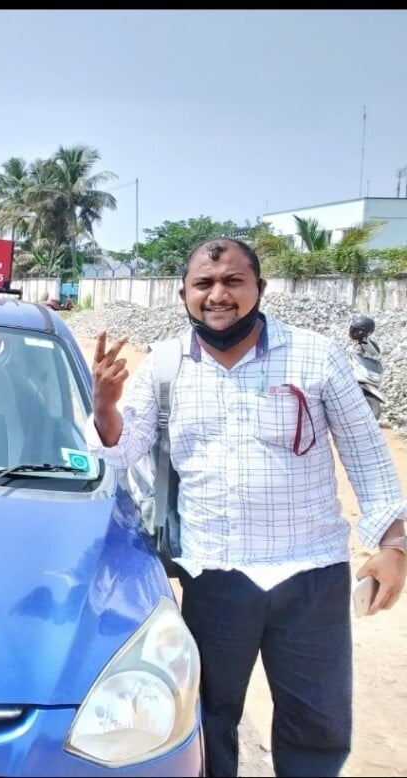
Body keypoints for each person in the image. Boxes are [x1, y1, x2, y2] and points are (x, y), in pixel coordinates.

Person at [85, 237, 407, 777]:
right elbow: (125, 448)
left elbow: (368, 457)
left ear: (260, 287)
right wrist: (105, 407)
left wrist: (394, 543)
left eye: (233, 281)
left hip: (312, 575)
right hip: (215, 576)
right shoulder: (165, 365)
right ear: (183, 292)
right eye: (204, 284)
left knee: (317, 723)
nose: (218, 295)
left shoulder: (316, 356)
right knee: (208, 720)